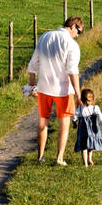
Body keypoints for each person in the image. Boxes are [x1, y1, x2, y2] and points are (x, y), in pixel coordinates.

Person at [27, 16, 83, 165]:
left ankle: (40, 156)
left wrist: (32, 86)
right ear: (72, 26)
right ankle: (59, 158)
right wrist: (78, 94)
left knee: (42, 122)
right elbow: (72, 71)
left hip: (44, 87)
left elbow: (33, 64)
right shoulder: (72, 45)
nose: (78, 35)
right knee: (64, 124)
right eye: (79, 31)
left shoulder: (45, 36)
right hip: (63, 89)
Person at [73, 88, 102, 167]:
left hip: (84, 130)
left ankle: (87, 161)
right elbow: (100, 117)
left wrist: (74, 123)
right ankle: (88, 161)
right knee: (89, 145)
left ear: (81, 99)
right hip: (91, 130)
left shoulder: (81, 108)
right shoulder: (93, 108)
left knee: (85, 146)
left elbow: (74, 117)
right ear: (92, 99)